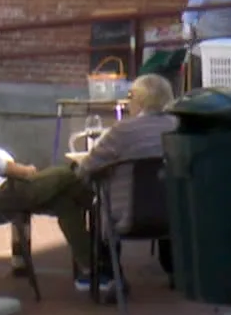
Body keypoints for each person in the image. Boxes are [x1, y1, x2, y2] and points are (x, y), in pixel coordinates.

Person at [0, 78, 109, 291]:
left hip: (2, 189)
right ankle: (105, 209)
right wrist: (23, 171)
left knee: (65, 202)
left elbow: (0, 155)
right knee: (63, 174)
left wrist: (13, 167)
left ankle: (93, 269)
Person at [77, 74, 179, 273]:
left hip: (127, 216)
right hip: (174, 216)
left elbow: (86, 168)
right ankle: (173, 266)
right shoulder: (178, 127)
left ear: (140, 100)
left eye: (130, 96)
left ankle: (107, 271)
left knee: (98, 202)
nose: (127, 101)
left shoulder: (122, 130)